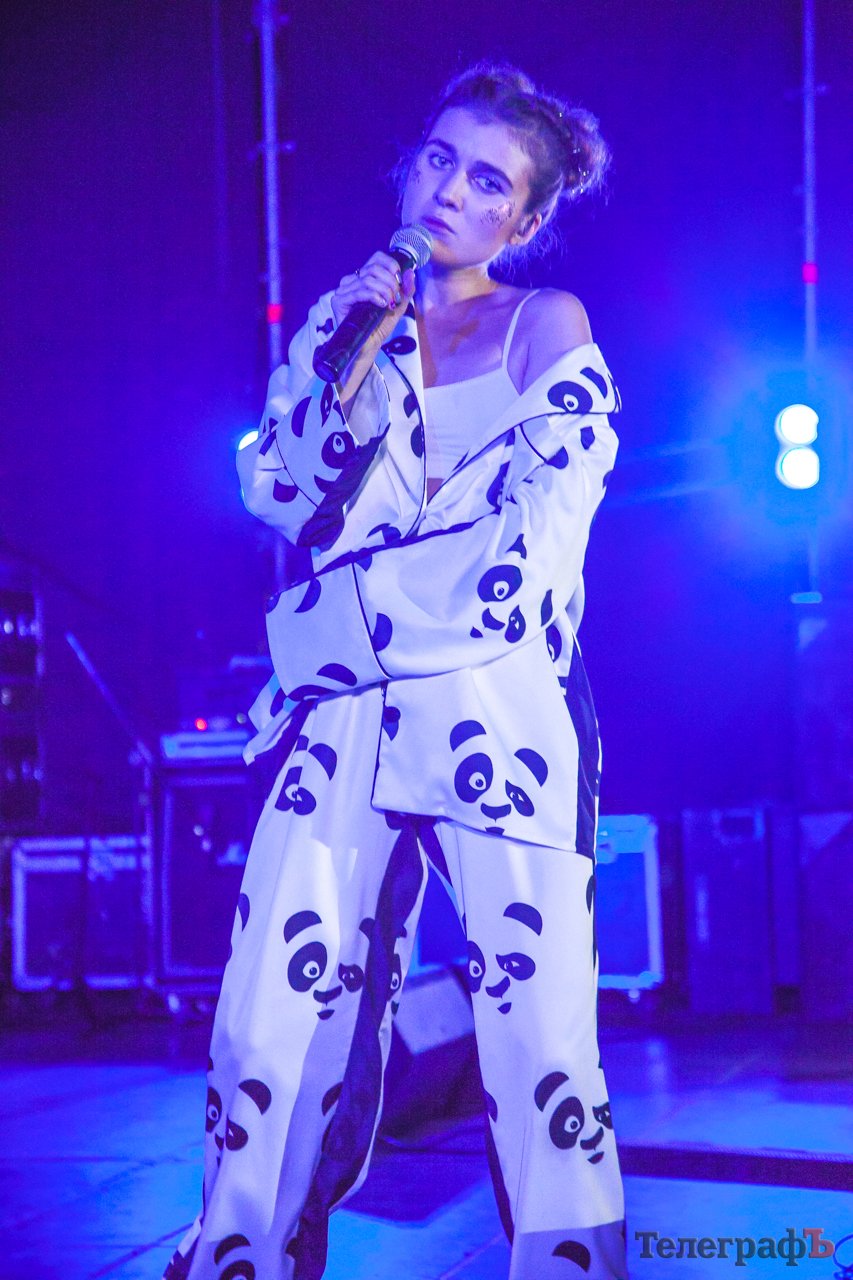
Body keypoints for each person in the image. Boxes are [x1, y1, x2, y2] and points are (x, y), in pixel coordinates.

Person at [165, 62, 626, 1280]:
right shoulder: (348, 321)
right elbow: (278, 493)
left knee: (540, 1039)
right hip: (345, 720)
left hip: (496, 715)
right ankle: (242, 1256)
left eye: (488, 181)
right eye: (438, 159)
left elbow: (526, 560)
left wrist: (336, 621)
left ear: (523, 218)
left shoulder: (547, 324)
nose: (450, 190)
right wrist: (345, 362)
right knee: (269, 1019)